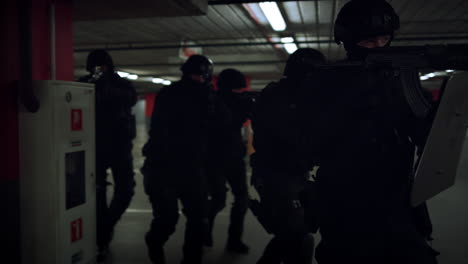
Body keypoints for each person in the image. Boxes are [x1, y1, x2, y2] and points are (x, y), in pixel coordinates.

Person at [311, 0, 439, 263]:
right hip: (345, 198)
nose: (380, 47)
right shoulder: (326, 83)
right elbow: (309, 139)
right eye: (369, 42)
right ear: (347, 42)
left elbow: (424, 137)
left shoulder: (400, 83)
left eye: (384, 39)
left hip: (396, 194)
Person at [141, 55, 230, 264]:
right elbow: (222, 125)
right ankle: (162, 247)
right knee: (179, 218)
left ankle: (173, 251)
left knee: (188, 219)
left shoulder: (177, 93)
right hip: (173, 167)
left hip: (179, 167)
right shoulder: (194, 95)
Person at [250, 48, 327, 264]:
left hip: (292, 173)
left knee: (292, 234)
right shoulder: (278, 96)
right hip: (276, 173)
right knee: (298, 237)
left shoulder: (297, 95)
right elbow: (289, 137)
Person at [79, 49, 137, 262]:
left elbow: (130, 98)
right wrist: (93, 85)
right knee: (98, 192)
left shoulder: (121, 84)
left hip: (120, 145)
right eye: (96, 67)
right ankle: (102, 239)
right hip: (95, 145)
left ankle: (105, 227)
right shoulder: (85, 83)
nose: (100, 70)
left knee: (127, 189)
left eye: (103, 66)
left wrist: (105, 86)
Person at [205, 68, 252, 254]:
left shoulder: (211, 99)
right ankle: (232, 240)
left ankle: (207, 231)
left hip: (217, 157)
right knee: (236, 199)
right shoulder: (219, 102)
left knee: (219, 199)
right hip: (226, 157)